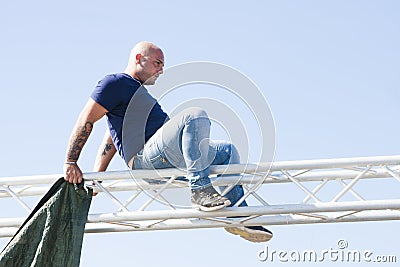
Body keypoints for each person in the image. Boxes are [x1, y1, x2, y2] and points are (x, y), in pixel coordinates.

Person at [63, 41, 272, 242]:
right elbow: (86, 119)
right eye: (157, 63)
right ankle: (200, 189)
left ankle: (238, 215)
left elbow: (112, 138)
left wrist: (99, 176)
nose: (161, 70)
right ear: (138, 58)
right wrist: (71, 161)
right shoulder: (115, 83)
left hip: (167, 156)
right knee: (194, 114)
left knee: (227, 150)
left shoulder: (136, 94)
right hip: (147, 159)